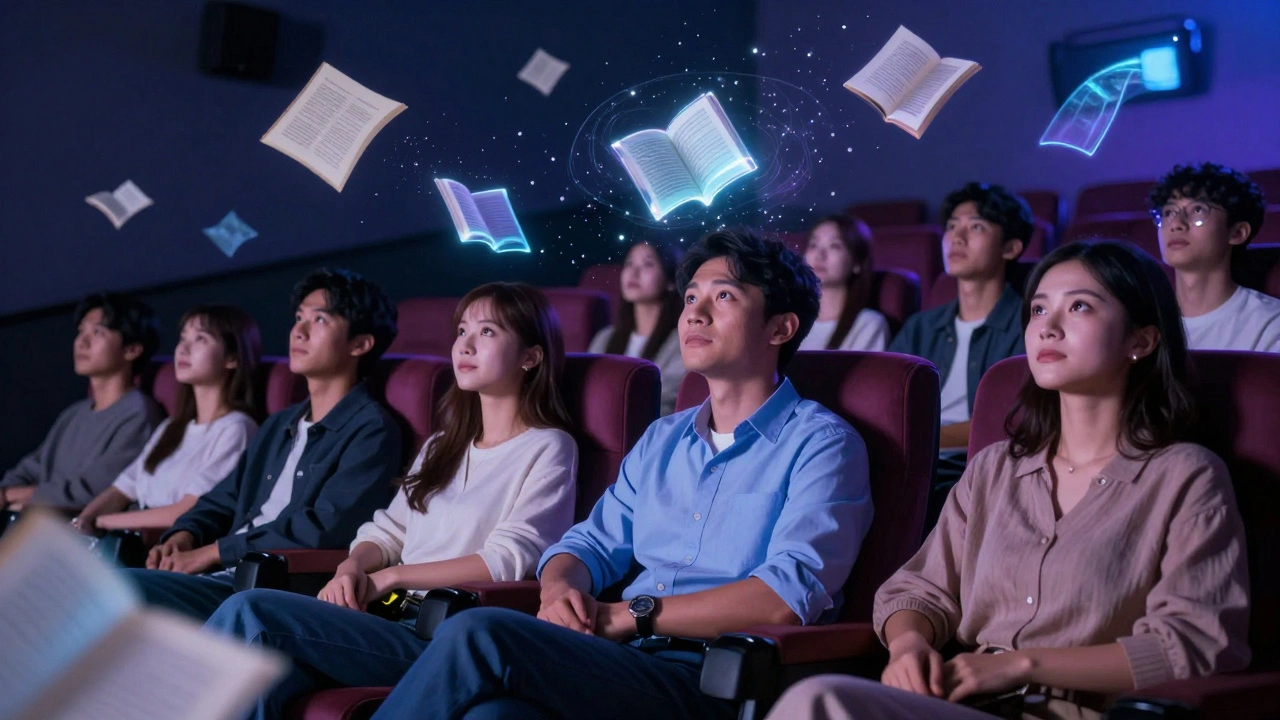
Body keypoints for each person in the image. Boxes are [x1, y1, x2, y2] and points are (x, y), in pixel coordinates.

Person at [364, 228, 874, 720]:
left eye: (723, 297)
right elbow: (585, 544)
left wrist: (628, 615)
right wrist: (560, 588)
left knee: (477, 632)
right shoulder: (662, 439)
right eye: (690, 297)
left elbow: (784, 597)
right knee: (492, 714)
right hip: (625, 660)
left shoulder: (823, 444)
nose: (694, 313)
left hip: (715, 675)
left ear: (780, 328)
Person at [763, 241, 1250, 720]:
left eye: (1079, 306)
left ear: (1140, 341)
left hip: (1076, 711)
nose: (1048, 327)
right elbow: (918, 590)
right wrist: (909, 645)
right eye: (1038, 310)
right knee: (819, 698)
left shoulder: (1186, 476)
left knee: (820, 701)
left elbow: (1194, 643)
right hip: (962, 701)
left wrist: (1020, 666)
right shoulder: (994, 468)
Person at [206, 282, 580, 720]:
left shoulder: (548, 446)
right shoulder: (442, 444)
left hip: (443, 636)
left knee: (250, 610)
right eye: (462, 331)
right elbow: (387, 531)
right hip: (383, 616)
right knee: (263, 678)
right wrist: (353, 566)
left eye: (487, 332)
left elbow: (509, 560)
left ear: (530, 357)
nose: (465, 344)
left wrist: (393, 576)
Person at [124, 268, 404, 622]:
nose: (298, 331)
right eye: (299, 317)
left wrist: (212, 552)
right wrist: (185, 533)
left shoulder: (371, 430)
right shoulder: (280, 424)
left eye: (319, 319)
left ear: (360, 344)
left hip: (271, 586)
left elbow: (321, 529)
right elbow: (224, 497)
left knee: (121, 590)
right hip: (224, 575)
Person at [74, 306, 262, 534]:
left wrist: (103, 522)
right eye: (182, 338)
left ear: (232, 358)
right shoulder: (172, 426)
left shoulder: (236, 428)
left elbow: (188, 511)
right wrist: (84, 519)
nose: (183, 349)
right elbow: (123, 487)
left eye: (200, 339)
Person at [889, 183, 1033, 451]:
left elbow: (1014, 421)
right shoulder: (921, 326)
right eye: (952, 226)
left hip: (981, 461)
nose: (957, 237)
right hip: (912, 458)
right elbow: (886, 402)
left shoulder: (1028, 325)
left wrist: (917, 439)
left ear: (1010, 248)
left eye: (976, 227)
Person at [0, 292, 163, 519]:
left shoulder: (138, 415)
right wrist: (6, 491)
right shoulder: (74, 414)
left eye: (97, 333)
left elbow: (93, 491)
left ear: (132, 350)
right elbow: (30, 469)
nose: (81, 342)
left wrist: (11, 495)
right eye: (81, 332)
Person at [1149, 162, 1279, 352]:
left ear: (1237, 233)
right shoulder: (1142, 321)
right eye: (1168, 212)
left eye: (1197, 210)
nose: (1176, 224)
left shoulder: (1270, 324)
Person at [588, 240, 687, 415]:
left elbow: (666, 398)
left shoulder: (682, 341)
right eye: (629, 263)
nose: (634, 273)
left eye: (647, 264)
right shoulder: (605, 337)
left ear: (670, 281)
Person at [800, 215, 890, 352]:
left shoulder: (868, 324)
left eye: (834, 246)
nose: (819, 255)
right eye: (813, 245)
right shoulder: (790, 321)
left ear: (857, 262)